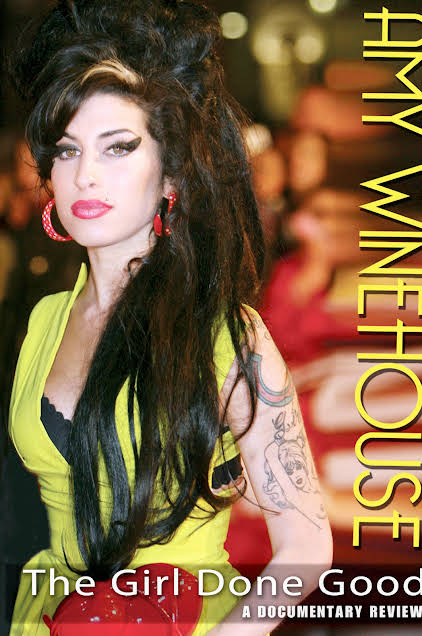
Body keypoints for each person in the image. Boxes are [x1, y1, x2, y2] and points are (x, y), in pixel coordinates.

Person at [7, 1, 332, 634]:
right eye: (68, 151)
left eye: (118, 148)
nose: (86, 175)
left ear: (170, 176)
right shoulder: (44, 319)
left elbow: (305, 546)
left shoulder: (227, 336)